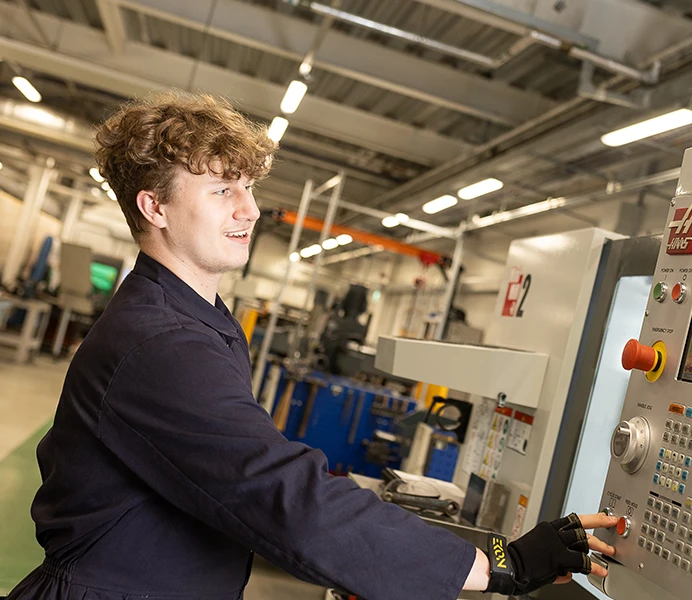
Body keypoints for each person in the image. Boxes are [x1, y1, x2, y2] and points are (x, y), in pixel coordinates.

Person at [5, 93, 616, 600]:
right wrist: (500, 562)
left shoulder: (195, 318)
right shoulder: (161, 343)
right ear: (155, 206)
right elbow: (282, 497)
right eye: (223, 190)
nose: (250, 208)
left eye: (248, 187)